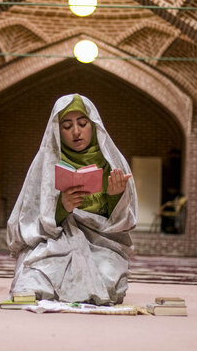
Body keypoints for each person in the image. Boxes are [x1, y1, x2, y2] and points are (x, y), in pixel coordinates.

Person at [7, 94, 137, 305]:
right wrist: (61, 208)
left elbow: (122, 224)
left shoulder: (111, 164)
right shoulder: (46, 163)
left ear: (93, 126)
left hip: (100, 242)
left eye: (82, 123)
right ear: (57, 130)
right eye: (67, 126)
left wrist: (115, 198)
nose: (76, 132)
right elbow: (28, 218)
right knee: (32, 281)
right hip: (56, 239)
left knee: (108, 284)